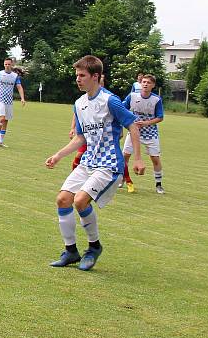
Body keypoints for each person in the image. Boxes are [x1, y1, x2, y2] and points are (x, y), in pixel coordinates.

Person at [45, 55, 145, 271]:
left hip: (109, 164)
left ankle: (94, 247)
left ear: (96, 77)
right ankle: (71, 251)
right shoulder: (79, 104)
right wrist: (58, 155)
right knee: (63, 200)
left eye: (82, 76)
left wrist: (137, 158)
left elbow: (133, 126)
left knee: (80, 201)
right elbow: (80, 138)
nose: (78, 80)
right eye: (77, 75)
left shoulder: (110, 101)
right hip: (88, 161)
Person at [121, 74, 165, 194]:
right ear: (140, 84)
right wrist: (129, 120)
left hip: (150, 133)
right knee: (125, 156)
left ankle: (159, 184)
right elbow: (121, 109)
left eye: (148, 83)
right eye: (144, 82)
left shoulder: (156, 100)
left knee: (155, 158)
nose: (145, 84)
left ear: (153, 86)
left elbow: (160, 117)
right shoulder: (132, 96)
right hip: (134, 131)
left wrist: (146, 123)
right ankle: (123, 179)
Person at [0, 58, 26, 147]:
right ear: (4, 65)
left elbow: (19, 87)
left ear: (12, 65)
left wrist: (22, 98)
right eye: (5, 64)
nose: (7, 66)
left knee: (6, 121)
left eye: (9, 64)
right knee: (2, 118)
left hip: (9, 101)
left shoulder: (15, 76)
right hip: (0, 99)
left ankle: (1, 141)